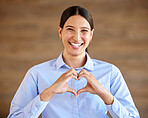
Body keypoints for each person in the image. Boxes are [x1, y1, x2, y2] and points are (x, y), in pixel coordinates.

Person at [8, 6, 140, 118]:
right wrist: (49, 92)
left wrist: (104, 94)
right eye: (70, 29)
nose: (77, 37)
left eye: (84, 31)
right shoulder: (37, 73)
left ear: (91, 35)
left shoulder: (111, 72)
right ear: (60, 32)